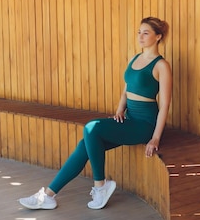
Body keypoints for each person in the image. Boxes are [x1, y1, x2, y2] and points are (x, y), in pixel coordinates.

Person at [19, 17, 172, 210]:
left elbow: (165, 104)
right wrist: (119, 109)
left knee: (92, 128)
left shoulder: (161, 66)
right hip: (129, 118)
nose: (140, 36)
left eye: (146, 33)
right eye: (139, 32)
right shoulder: (135, 58)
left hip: (145, 125)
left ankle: (101, 185)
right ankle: (48, 195)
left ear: (158, 37)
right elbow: (126, 90)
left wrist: (156, 138)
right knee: (85, 144)